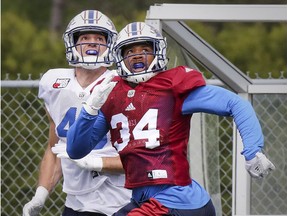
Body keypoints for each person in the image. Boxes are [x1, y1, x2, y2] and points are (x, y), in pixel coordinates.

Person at [66, 22, 275, 216]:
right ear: (119, 55)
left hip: (178, 200)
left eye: (145, 50)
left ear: (158, 51)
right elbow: (76, 149)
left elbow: (235, 103)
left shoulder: (172, 86)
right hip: (143, 198)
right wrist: (89, 109)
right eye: (130, 51)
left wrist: (252, 150)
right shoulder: (112, 94)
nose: (138, 56)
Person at [22, 10, 131, 216]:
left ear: (110, 45)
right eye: (85, 37)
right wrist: (40, 195)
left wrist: (95, 163)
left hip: (119, 202)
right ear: (72, 42)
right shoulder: (53, 83)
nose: (92, 43)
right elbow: (55, 149)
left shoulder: (123, 85)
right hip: (76, 203)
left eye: (99, 38)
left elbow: (141, 158)